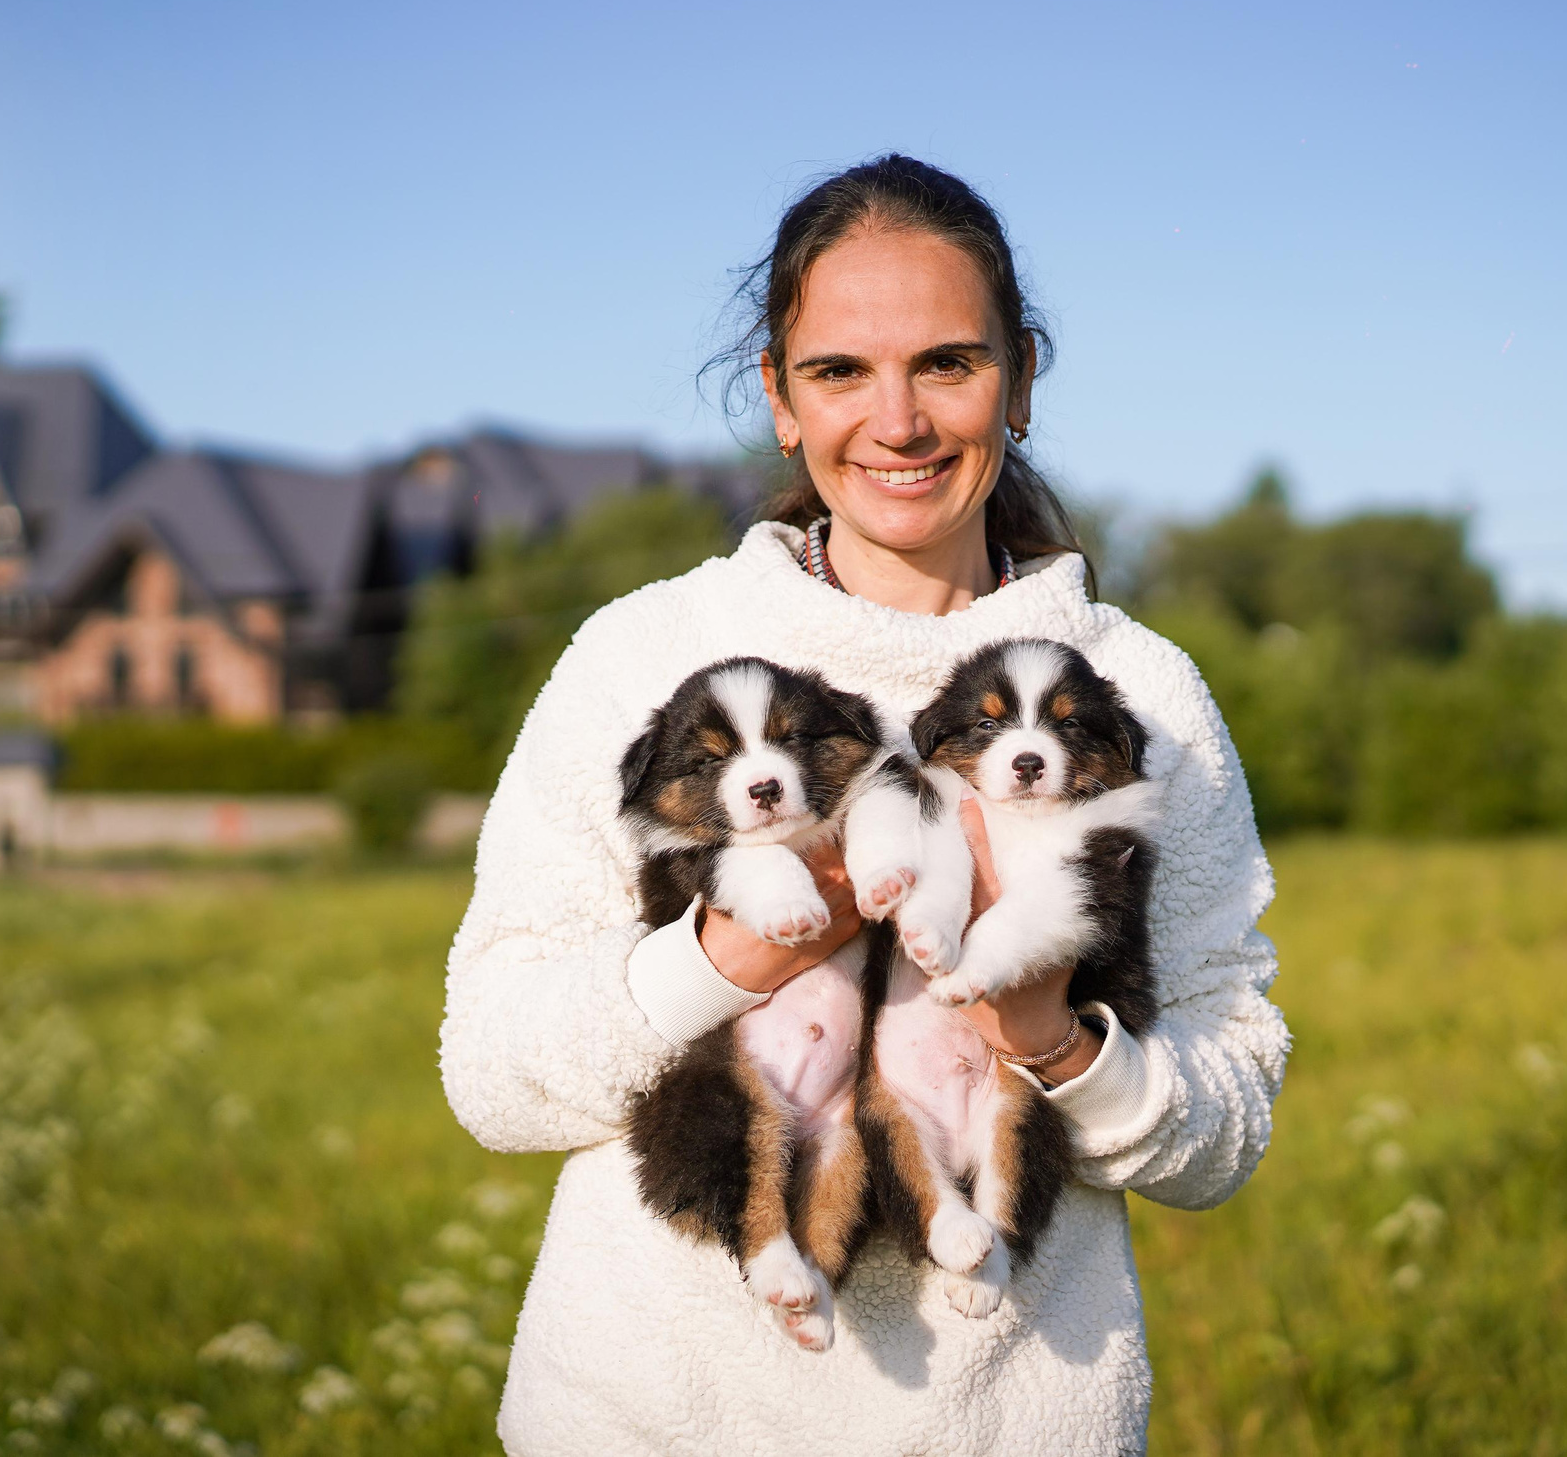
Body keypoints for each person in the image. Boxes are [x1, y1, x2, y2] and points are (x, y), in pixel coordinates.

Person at [440, 153, 1287, 1455]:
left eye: (947, 362)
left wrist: (1054, 1041)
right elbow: (492, 1071)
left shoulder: (1134, 695)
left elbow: (1226, 1114)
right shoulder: (647, 656)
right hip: (646, 1420)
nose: (897, 421)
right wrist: (735, 953)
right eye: (840, 371)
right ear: (780, 399)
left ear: (1022, 381)